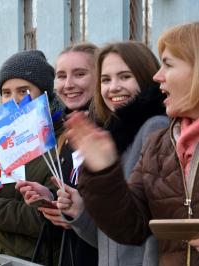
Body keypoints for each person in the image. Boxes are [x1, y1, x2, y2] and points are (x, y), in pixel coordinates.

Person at [62, 22, 199, 265]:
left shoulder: (153, 127)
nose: (158, 77)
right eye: (105, 79)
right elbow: (130, 227)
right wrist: (102, 170)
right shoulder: (163, 142)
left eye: (168, 64)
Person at [0, 50, 63, 265]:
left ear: (44, 94)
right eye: (6, 93)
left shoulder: (59, 143)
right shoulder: (0, 143)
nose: (14, 100)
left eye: (24, 91)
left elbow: (44, 219)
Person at [17, 43, 98, 266]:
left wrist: (79, 216)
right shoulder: (69, 133)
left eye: (80, 74)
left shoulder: (111, 132)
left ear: (99, 77)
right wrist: (52, 198)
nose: (68, 84)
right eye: (61, 76)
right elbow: (73, 194)